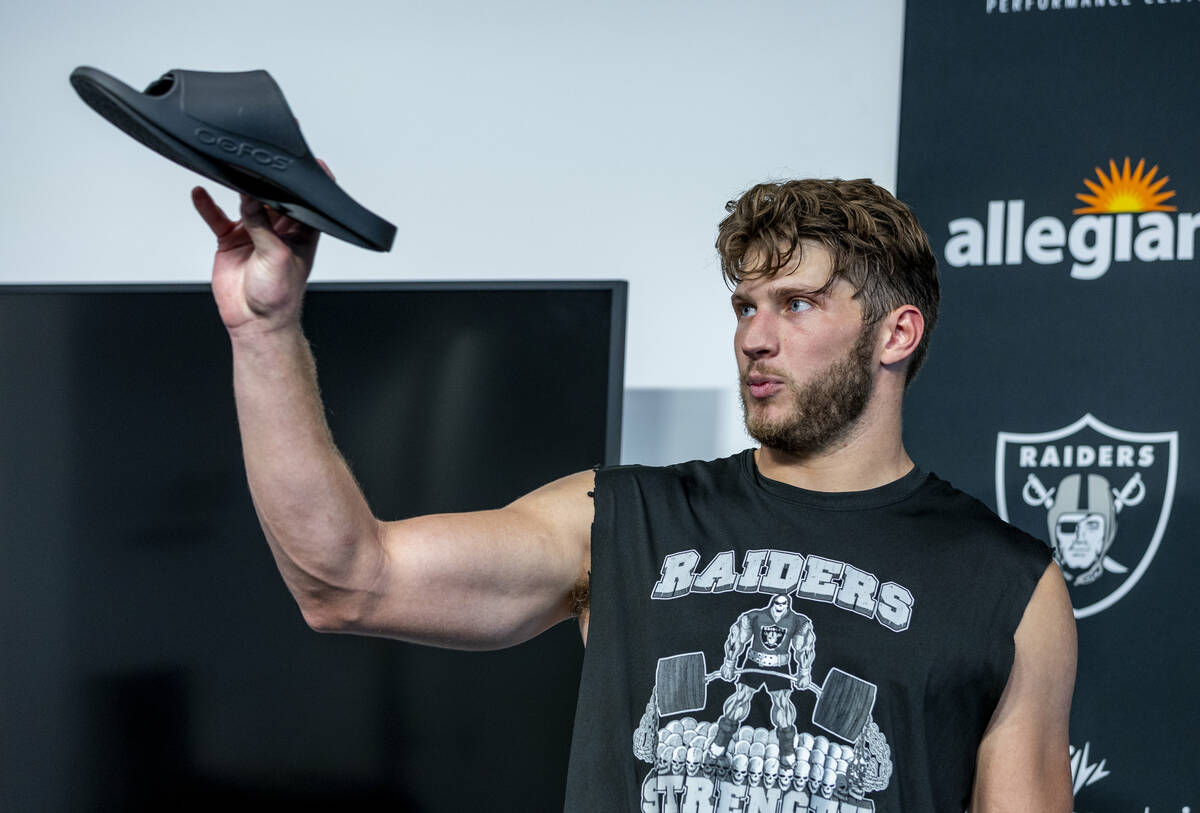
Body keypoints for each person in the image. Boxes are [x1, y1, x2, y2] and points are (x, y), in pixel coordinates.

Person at [192, 176, 1076, 812]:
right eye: (744, 306)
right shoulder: (622, 520)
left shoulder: (1006, 586)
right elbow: (347, 580)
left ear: (897, 332)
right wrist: (263, 330)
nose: (755, 339)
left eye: (796, 305)